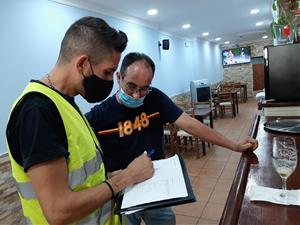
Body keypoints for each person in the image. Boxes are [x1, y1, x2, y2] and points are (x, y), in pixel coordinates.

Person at [6, 17, 154, 225]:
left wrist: (110, 177)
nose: (112, 81)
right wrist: (127, 177)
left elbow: (78, 178)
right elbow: (58, 211)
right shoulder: (37, 111)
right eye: (108, 72)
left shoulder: (65, 102)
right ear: (83, 64)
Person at [85, 52, 259, 225]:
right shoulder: (100, 116)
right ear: (118, 78)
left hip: (156, 184)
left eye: (144, 88)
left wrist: (234, 146)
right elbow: (79, 156)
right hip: (123, 191)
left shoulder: (155, 98)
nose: (137, 95)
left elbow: (192, 125)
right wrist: (106, 176)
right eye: (131, 86)